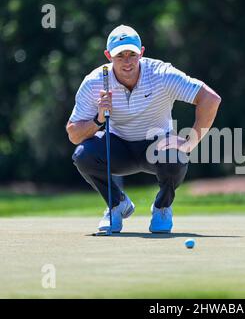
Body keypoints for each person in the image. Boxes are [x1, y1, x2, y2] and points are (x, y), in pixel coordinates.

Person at [66, 25, 221, 233]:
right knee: (83, 155)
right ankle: (117, 204)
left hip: (157, 147)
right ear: (108, 56)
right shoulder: (95, 82)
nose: (127, 61)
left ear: (142, 52)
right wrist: (98, 118)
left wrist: (190, 142)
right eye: (120, 55)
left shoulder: (161, 74)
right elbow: (74, 134)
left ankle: (162, 207)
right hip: (118, 148)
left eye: (132, 54)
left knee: (176, 156)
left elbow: (210, 99)